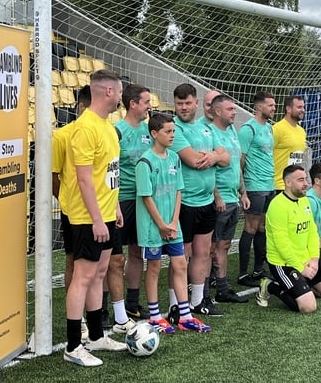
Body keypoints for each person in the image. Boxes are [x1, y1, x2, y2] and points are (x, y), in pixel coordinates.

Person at [63, 69, 128, 367]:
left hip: (104, 213)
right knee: (83, 277)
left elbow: (107, 176)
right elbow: (84, 180)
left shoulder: (106, 126)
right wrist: (97, 219)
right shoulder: (85, 127)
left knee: (98, 275)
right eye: (119, 92)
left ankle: (96, 335)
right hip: (87, 218)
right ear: (108, 92)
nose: (121, 97)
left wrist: (112, 209)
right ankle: (73, 345)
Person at [136, 113, 211, 333]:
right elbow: (146, 197)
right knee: (155, 267)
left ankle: (184, 316)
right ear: (154, 133)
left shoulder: (174, 158)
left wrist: (174, 221)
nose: (172, 135)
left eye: (173, 131)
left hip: (172, 225)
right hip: (153, 227)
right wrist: (161, 224)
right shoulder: (145, 161)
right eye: (168, 131)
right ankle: (155, 316)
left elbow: (178, 191)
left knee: (180, 264)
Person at [169, 84, 230, 317]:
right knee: (180, 255)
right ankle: (175, 305)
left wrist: (214, 155)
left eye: (187, 103)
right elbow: (194, 161)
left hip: (206, 200)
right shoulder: (174, 129)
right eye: (179, 103)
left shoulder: (206, 129)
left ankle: (197, 302)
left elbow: (226, 158)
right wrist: (214, 157)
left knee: (202, 253)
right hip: (184, 202)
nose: (183, 108)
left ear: (196, 103)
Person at [256, 165, 321, 313]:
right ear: (288, 183)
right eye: (301, 180)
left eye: (305, 179)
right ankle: (270, 286)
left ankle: (304, 283)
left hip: (306, 257)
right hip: (284, 263)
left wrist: (314, 260)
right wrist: (301, 268)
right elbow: (281, 244)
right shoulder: (277, 206)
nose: (306, 184)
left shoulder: (304, 200)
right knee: (308, 307)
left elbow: (312, 232)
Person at [109, 84, 153, 327]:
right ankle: (106, 308)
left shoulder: (150, 130)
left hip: (143, 200)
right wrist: (114, 202)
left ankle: (132, 304)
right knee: (114, 258)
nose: (150, 106)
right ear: (133, 103)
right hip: (121, 200)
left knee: (137, 252)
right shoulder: (117, 131)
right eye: (146, 102)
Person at [51, 85, 91, 340]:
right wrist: (65, 199)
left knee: (99, 266)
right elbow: (54, 175)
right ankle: (79, 320)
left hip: (103, 210)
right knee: (73, 262)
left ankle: (99, 315)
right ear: (80, 107)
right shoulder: (62, 136)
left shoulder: (105, 132)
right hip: (74, 211)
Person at [209, 94, 250, 303]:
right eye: (230, 109)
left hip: (233, 198)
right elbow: (207, 171)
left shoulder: (232, 130)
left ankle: (222, 288)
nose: (234, 112)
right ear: (217, 112)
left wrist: (243, 192)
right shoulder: (210, 134)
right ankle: (205, 290)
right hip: (220, 200)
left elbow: (236, 165)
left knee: (223, 245)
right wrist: (216, 196)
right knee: (212, 247)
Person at [236, 91, 275, 287]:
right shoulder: (247, 129)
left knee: (262, 227)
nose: (273, 108)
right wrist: (242, 189)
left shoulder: (269, 128)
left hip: (269, 185)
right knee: (250, 227)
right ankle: (243, 274)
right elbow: (240, 161)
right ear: (259, 107)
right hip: (254, 185)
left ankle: (259, 269)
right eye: (270, 105)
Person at [272, 95, 307, 192]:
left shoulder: (302, 131)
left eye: (303, 107)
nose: (303, 110)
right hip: (279, 185)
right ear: (288, 109)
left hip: (295, 187)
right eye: (299, 107)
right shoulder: (277, 129)